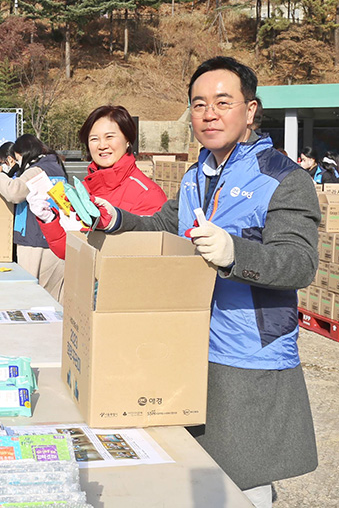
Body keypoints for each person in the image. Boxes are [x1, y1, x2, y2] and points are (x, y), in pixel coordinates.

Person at [93, 56, 319, 508]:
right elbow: (163, 224)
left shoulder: (282, 179)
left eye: (222, 102)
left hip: (247, 352)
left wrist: (236, 253)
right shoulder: (198, 175)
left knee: (243, 481)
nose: (209, 114)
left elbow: (299, 263)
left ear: (250, 110)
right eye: (198, 105)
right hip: (189, 341)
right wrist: (115, 218)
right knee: (194, 473)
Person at [27, 105, 166, 259]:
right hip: (85, 280)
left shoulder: (148, 193)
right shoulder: (83, 188)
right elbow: (69, 253)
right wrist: (49, 220)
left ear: (128, 140)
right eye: (94, 139)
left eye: (110, 137)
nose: (102, 145)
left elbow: (150, 256)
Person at [0, 134, 68, 301]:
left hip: (35, 240)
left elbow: (14, 191)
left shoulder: (38, 170)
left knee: (31, 295)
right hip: (53, 238)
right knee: (53, 297)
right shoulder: (56, 166)